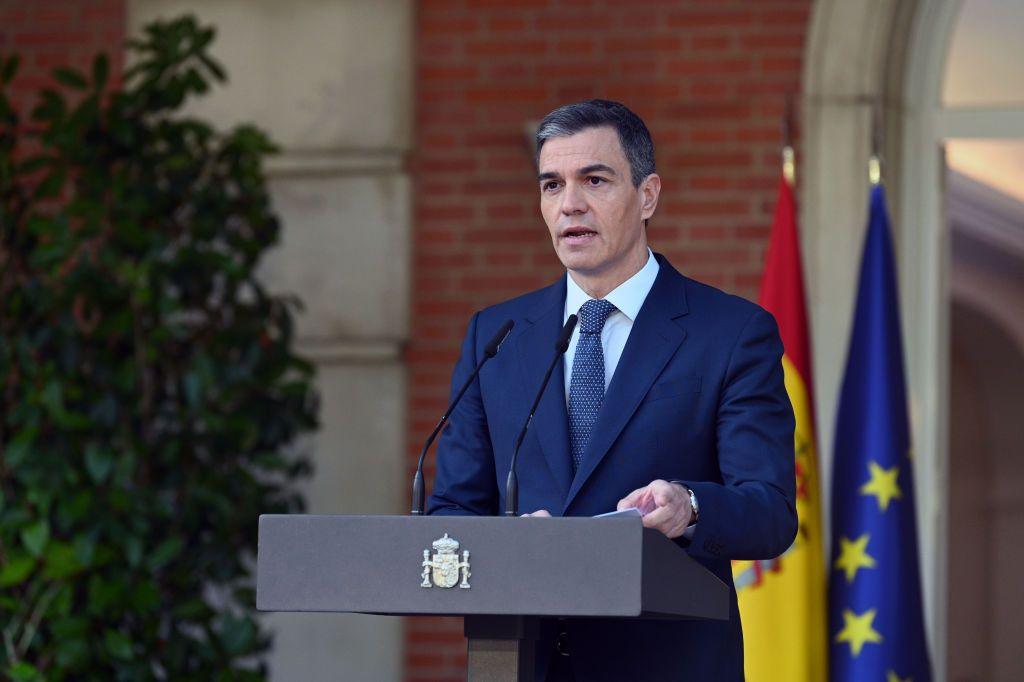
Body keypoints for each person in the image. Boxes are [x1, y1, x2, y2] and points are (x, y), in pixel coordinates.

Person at [428, 99, 796, 681]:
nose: (569, 203)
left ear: (648, 195)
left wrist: (689, 507)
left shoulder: (729, 333)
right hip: (525, 660)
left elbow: (770, 512)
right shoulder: (496, 337)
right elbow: (451, 509)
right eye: (552, 185)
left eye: (594, 180)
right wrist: (509, 544)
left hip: (669, 665)